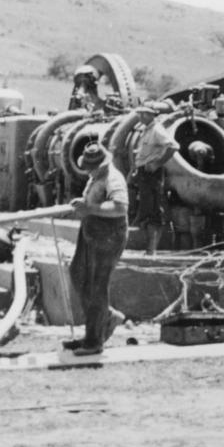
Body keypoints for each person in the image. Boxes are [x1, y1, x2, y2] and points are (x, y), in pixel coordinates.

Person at [66, 143, 129, 356]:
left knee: (96, 286)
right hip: (91, 231)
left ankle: (94, 341)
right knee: (78, 274)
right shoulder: (96, 176)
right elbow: (94, 200)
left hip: (109, 236)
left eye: (92, 167)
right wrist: (83, 203)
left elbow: (120, 207)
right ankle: (105, 318)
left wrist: (89, 208)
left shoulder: (113, 178)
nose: (89, 171)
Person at [130, 105, 179, 255]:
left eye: (144, 114)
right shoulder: (146, 130)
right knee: (145, 208)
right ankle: (148, 248)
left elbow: (173, 146)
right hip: (143, 173)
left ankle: (152, 250)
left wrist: (157, 163)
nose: (140, 116)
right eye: (140, 113)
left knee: (153, 211)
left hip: (152, 174)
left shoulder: (157, 130)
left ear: (151, 115)